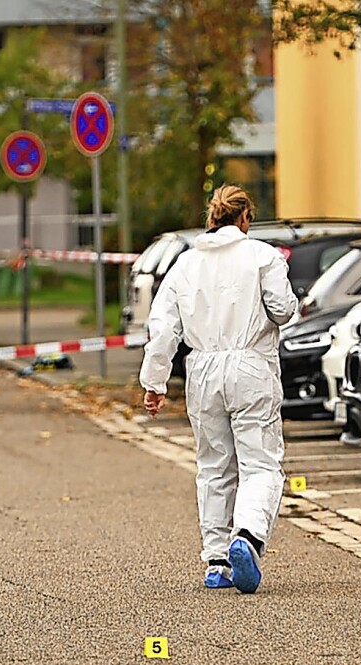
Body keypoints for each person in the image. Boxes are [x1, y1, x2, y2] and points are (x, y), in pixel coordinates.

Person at [139, 184, 298, 594]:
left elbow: (162, 329)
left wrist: (154, 383)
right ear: (245, 218)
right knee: (260, 463)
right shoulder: (263, 256)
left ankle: (216, 561)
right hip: (250, 366)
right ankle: (247, 535)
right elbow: (282, 309)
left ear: (212, 219)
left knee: (213, 467)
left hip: (203, 368)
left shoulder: (185, 265)